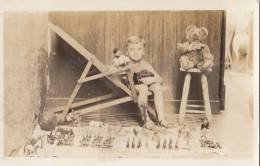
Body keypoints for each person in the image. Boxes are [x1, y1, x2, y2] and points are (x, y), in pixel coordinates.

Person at [124, 36, 168, 128]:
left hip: (144, 84)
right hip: (133, 86)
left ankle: (161, 118)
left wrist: (152, 79)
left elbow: (160, 79)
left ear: (143, 52)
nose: (136, 52)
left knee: (157, 86)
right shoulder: (125, 63)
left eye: (139, 49)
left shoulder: (145, 65)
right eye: (132, 49)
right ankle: (145, 119)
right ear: (127, 52)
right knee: (143, 87)